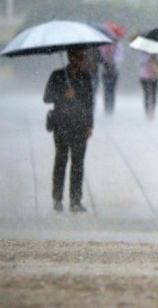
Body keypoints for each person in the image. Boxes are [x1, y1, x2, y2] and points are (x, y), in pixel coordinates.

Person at [43, 48, 94, 213]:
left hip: (80, 126)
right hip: (62, 125)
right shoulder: (57, 75)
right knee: (61, 161)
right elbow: (47, 97)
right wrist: (64, 95)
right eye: (77, 57)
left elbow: (89, 102)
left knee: (78, 164)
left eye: (82, 58)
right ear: (70, 57)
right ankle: (57, 199)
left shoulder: (86, 77)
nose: (79, 61)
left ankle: (76, 200)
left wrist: (89, 125)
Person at [99, 24, 125, 115]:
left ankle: (110, 110)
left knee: (111, 90)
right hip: (105, 70)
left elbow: (120, 57)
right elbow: (100, 57)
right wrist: (106, 63)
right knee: (107, 90)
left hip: (114, 71)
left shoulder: (118, 45)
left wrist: (113, 63)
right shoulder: (103, 44)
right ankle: (107, 109)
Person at [139, 52, 158, 119]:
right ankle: (147, 113)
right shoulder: (143, 52)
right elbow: (141, 61)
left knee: (154, 94)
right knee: (146, 95)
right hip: (144, 76)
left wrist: (155, 58)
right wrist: (149, 59)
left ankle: (152, 111)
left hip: (155, 76)